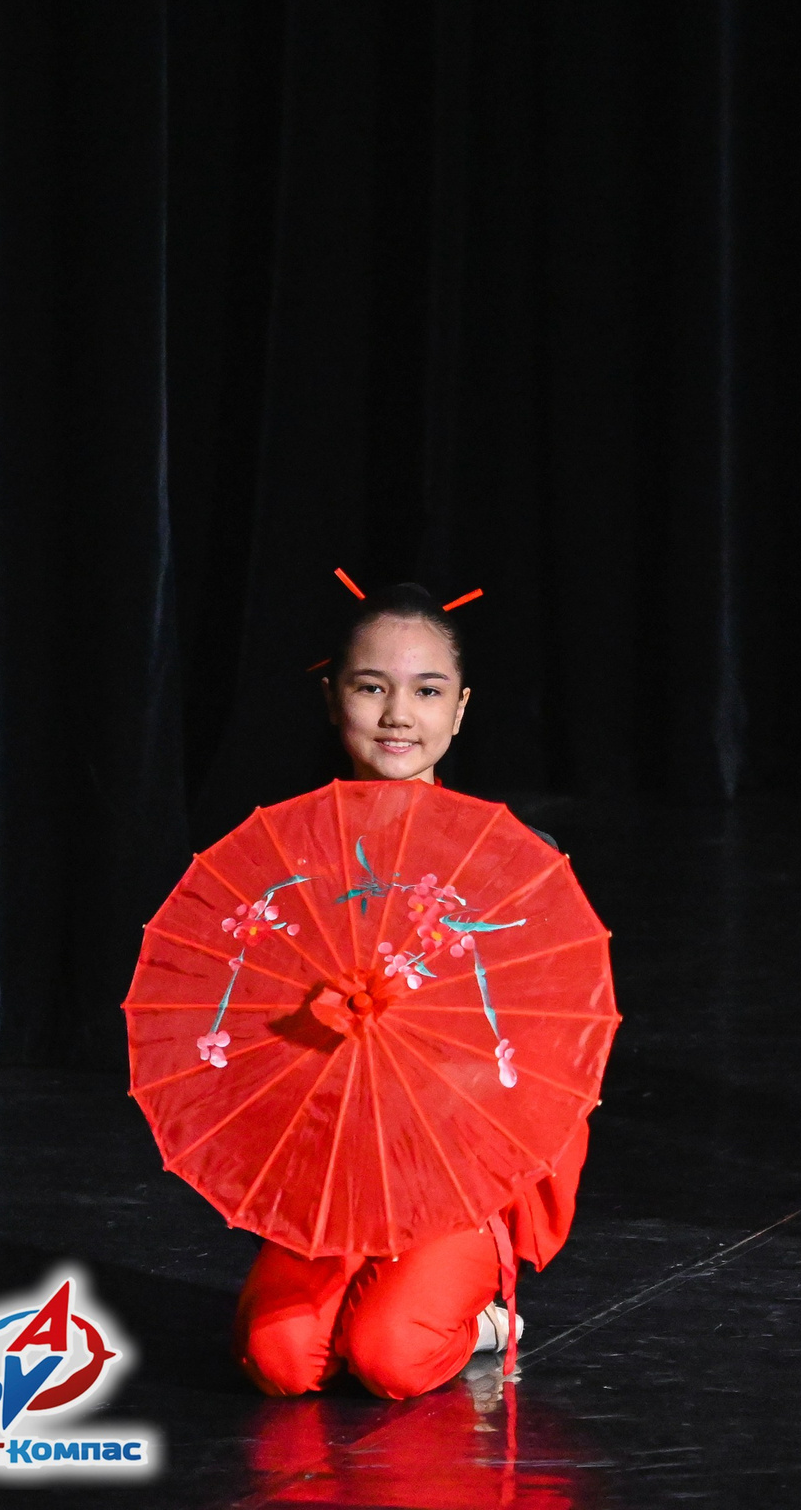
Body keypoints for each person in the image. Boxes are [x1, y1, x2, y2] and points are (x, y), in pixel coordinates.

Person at [233, 584, 586, 1400]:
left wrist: (426, 1063)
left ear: (459, 710)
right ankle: (363, 1285)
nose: (398, 715)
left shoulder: (511, 859)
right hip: (337, 1155)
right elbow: (250, 1038)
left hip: (461, 1160)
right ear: (333, 698)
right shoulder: (286, 859)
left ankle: (484, 1319)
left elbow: (546, 1051)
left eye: (427, 691)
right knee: (280, 1362)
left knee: (390, 1357)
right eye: (371, 687)